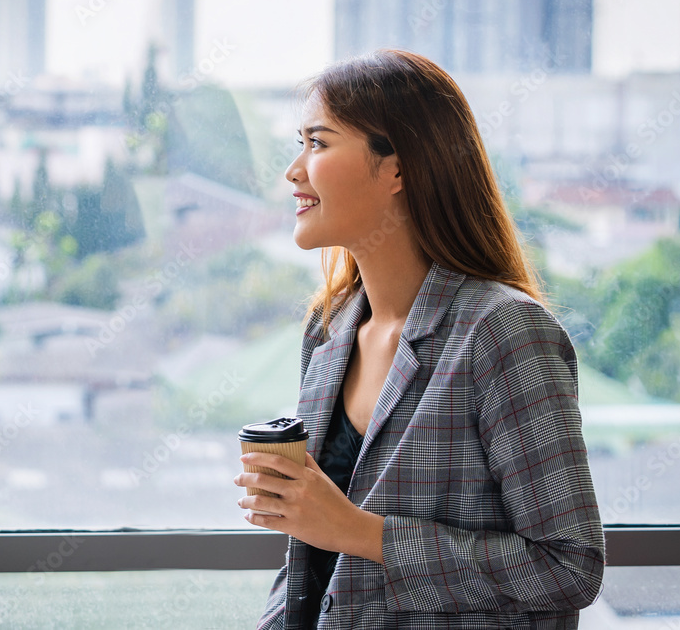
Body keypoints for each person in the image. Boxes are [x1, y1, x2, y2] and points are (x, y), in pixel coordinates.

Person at [232, 49, 605, 629]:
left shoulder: (503, 333)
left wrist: (362, 532)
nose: (294, 170)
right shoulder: (328, 330)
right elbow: (309, 567)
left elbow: (568, 566)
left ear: (398, 169)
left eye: (318, 143)